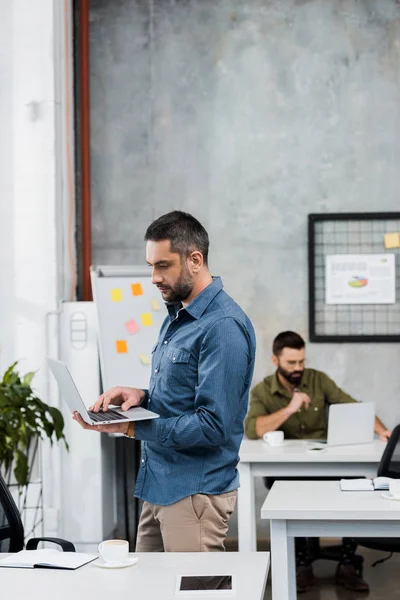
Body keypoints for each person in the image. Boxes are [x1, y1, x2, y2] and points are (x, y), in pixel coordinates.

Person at [74, 211, 256, 552]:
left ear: (195, 260)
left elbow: (212, 426)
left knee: (193, 592)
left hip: (193, 492)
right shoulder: (177, 317)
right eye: (150, 266)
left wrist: (129, 428)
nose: (154, 278)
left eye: (163, 265)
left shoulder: (222, 327)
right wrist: (140, 396)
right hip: (158, 485)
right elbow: (182, 394)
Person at [244, 331, 391, 594]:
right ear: (275, 360)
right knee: (289, 493)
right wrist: (290, 407)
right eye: (291, 363)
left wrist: (382, 432)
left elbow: (353, 406)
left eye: (301, 361)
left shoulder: (318, 380)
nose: (298, 368)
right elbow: (253, 429)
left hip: (326, 463)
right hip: (286, 472)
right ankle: (301, 566)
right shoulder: (263, 390)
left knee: (355, 489)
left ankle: (347, 564)